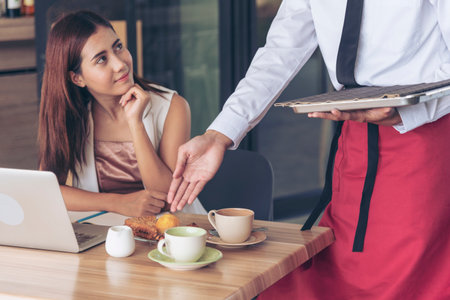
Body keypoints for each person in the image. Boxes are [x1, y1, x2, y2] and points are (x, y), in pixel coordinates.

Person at [167, 0, 450, 299]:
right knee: (309, 279)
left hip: (425, 142)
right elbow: (281, 50)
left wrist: (410, 111)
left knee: (410, 280)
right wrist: (219, 133)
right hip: (355, 145)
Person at [38, 10, 206, 217]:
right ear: (77, 78)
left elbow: (168, 197)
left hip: (172, 234)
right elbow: (47, 189)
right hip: (105, 236)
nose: (120, 64)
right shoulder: (74, 115)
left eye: (118, 47)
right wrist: (117, 203)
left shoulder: (173, 107)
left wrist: (136, 124)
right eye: (101, 59)